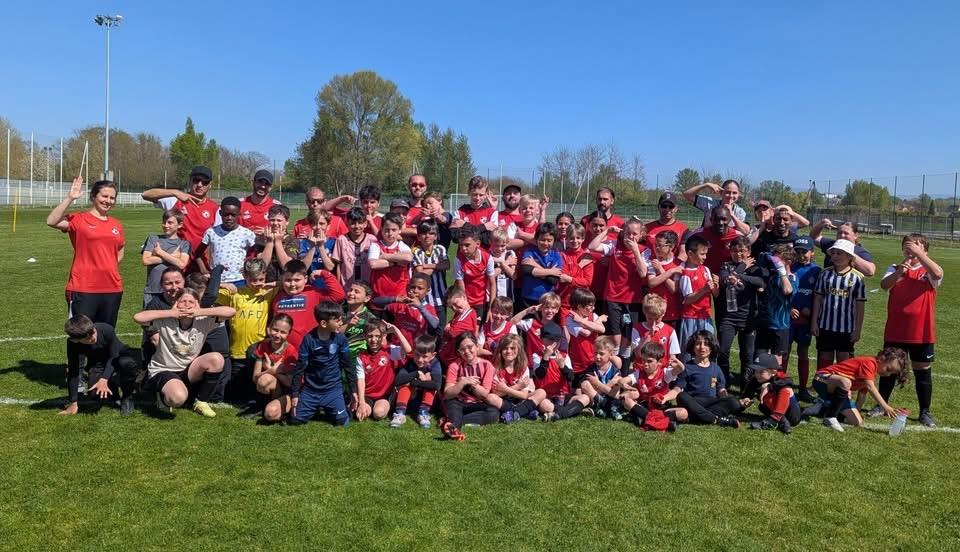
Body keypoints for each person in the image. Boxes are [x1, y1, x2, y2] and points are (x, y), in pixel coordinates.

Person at [134, 288, 236, 418]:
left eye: (191, 302)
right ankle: (162, 397)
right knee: (177, 399)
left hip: (188, 369)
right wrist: (171, 313)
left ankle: (201, 401)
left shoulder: (203, 319)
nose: (187, 305)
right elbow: (138, 317)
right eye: (183, 301)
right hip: (164, 369)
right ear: (176, 303)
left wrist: (199, 311)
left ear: (197, 304)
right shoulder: (165, 319)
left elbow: (231, 312)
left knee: (217, 359)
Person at [876, 233, 943, 427]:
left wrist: (919, 254)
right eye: (907, 246)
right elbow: (884, 285)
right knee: (889, 368)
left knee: (922, 371)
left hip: (921, 331)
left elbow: (938, 274)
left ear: (925, 251)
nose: (910, 249)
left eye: (915, 246)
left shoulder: (928, 271)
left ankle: (925, 412)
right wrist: (898, 273)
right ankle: (881, 405)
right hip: (896, 329)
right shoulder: (895, 268)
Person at [46, 177, 125, 327]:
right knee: (81, 333)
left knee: (105, 334)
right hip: (83, 287)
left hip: (112, 288)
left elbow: (120, 251)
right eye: (104, 196)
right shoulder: (79, 219)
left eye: (112, 198)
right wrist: (70, 198)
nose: (108, 201)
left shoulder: (116, 225)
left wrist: (106, 267)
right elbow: (51, 221)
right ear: (93, 196)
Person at [216, 258, 278, 404]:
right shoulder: (235, 293)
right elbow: (206, 285)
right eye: (253, 280)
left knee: (255, 388)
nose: (257, 283)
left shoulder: (267, 292)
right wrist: (223, 284)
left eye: (261, 279)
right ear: (245, 276)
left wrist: (271, 284)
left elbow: (286, 283)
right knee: (235, 393)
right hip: (237, 351)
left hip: (259, 353)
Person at [803, 348, 908, 432]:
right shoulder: (869, 363)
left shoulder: (871, 375)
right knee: (845, 382)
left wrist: (857, 412)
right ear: (881, 358)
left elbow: (861, 396)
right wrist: (885, 407)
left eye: (891, 373)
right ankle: (830, 417)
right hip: (821, 379)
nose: (888, 374)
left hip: (835, 390)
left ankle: (823, 409)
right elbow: (870, 387)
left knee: (857, 421)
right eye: (888, 369)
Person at [588, 218, 648, 353]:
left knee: (628, 336)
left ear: (641, 235)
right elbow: (592, 247)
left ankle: (625, 363)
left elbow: (643, 273)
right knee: (615, 337)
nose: (631, 237)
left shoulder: (644, 251)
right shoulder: (614, 245)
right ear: (623, 233)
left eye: (634, 234)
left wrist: (635, 251)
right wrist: (607, 231)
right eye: (628, 233)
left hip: (632, 300)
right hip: (612, 298)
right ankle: (615, 362)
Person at [289, 301, 354, 426]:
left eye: (341, 319)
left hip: (332, 389)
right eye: (337, 320)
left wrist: (353, 390)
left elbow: (348, 365)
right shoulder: (309, 339)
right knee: (295, 420)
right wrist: (295, 394)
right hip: (311, 390)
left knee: (342, 422)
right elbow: (300, 368)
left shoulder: (341, 338)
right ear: (324, 323)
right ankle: (315, 407)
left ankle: (339, 404)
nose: (341, 323)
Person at [141, 165, 220, 263]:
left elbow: (218, 239)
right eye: (196, 180)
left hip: (201, 263)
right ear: (190, 181)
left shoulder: (215, 208)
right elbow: (145, 194)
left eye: (205, 182)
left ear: (210, 184)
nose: (200, 185)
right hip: (176, 261)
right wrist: (175, 192)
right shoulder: (175, 200)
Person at [62, 314, 138, 416]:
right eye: (88, 337)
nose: (93, 337)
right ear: (76, 340)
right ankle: (112, 384)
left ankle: (127, 397)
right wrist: (73, 402)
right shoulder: (73, 344)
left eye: (93, 331)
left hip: (119, 358)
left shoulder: (106, 329)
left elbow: (114, 356)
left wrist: (104, 379)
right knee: (95, 394)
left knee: (127, 364)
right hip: (98, 365)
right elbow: (73, 370)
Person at [810, 239, 866, 369]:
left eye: (839, 253)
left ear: (849, 256)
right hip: (825, 325)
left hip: (846, 328)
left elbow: (860, 306)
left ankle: (842, 382)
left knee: (844, 361)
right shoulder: (825, 274)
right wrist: (814, 322)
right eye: (833, 253)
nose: (835, 256)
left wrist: (857, 330)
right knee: (824, 359)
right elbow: (818, 299)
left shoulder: (857, 278)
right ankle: (823, 381)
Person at [715, 236, 763, 386]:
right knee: (722, 351)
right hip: (728, 317)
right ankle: (724, 385)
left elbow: (761, 282)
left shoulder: (755, 268)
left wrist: (740, 275)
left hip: (748, 318)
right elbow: (725, 280)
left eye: (742, 251)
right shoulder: (725, 266)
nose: (739, 254)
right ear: (730, 252)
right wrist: (742, 267)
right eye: (735, 251)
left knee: (747, 355)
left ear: (749, 252)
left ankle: (745, 387)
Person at [270, 260, 346, 351]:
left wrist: (324, 273)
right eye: (288, 280)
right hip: (284, 351)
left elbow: (338, 296)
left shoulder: (313, 292)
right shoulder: (277, 298)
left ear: (305, 279)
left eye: (297, 280)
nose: (292, 284)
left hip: (311, 349)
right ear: (282, 279)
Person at [672, 331, 742, 428]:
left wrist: (726, 399)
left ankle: (695, 417)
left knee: (733, 402)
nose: (702, 347)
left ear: (712, 347)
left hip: (711, 403)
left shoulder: (716, 369)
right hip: (694, 402)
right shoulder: (687, 367)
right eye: (698, 344)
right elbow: (677, 389)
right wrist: (665, 397)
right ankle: (716, 419)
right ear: (693, 347)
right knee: (682, 396)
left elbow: (721, 389)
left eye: (706, 344)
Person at [440, 332, 500, 440]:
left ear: (477, 346)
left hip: (477, 402)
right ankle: (453, 429)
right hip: (458, 401)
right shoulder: (454, 366)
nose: (467, 351)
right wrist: (462, 382)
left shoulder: (487, 365)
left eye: (470, 347)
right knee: (453, 407)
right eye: (462, 349)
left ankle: (454, 421)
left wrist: (469, 382)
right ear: (458, 351)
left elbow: (484, 394)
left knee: (494, 413)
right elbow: (448, 394)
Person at [353, 320, 412, 422]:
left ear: (384, 336)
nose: (374, 339)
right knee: (361, 415)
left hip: (383, 395)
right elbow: (360, 380)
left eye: (377, 336)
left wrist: (396, 331)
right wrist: (361, 402)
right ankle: (367, 406)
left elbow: (408, 350)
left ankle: (387, 404)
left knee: (378, 413)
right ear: (365, 336)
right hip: (367, 394)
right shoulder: (361, 356)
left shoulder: (390, 350)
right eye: (370, 336)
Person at [531, 321, 590, 421]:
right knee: (543, 404)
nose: (554, 343)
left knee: (585, 398)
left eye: (557, 340)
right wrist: (545, 358)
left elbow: (571, 378)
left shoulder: (564, 356)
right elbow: (540, 375)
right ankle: (573, 411)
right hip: (547, 396)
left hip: (563, 395)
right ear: (542, 339)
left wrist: (563, 366)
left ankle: (559, 414)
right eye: (551, 340)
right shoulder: (537, 356)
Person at [621, 342, 684, 431]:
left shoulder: (665, 373)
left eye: (649, 361)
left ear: (659, 362)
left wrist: (678, 363)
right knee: (627, 401)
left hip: (661, 406)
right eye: (643, 360)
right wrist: (624, 385)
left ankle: (646, 421)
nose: (645, 364)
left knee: (683, 413)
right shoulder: (638, 373)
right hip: (645, 406)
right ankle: (665, 423)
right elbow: (623, 380)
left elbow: (680, 369)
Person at [787, 236, 821, 402]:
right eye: (798, 251)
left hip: (805, 322)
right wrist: (789, 308)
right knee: (784, 352)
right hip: (788, 320)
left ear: (812, 252)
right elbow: (781, 291)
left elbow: (819, 296)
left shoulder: (817, 271)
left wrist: (811, 308)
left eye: (804, 252)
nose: (801, 255)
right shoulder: (789, 267)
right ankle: (780, 385)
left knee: (803, 352)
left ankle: (802, 389)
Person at [194, 196, 257, 285]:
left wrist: (247, 266)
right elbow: (197, 254)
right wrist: (203, 270)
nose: (229, 218)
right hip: (217, 281)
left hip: (240, 279)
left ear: (239, 214)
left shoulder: (247, 234)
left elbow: (254, 254)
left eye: (233, 215)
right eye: (226, 214)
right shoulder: (211, 232)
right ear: (220, 213)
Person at [490, 334, 548, 423]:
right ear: (500, 351)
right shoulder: (496, 368)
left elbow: (524, 395)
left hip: (520, 399)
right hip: (504, 400)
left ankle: (514, 413)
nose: (508, 351)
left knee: (541, 392)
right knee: (491, 397)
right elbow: (495, 393)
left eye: (512, 348)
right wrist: (517, 386)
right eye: (505, 348)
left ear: (519, 350)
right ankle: (525, 411)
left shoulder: (523, 368)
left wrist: (505, 389)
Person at [373, 273, 441, 348]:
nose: (415, 290)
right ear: (408, 287)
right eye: (413, 287)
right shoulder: (400, 304)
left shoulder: (427, 308)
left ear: (428, 291)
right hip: (396, 347)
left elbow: (435, 324)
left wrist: (420, 307)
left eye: (420, 288)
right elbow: (375, 302)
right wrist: (395, 299)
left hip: (415, 349)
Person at [754, 244, 795, 367]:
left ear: (788, 262)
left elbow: (787, 290)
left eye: (778, 260)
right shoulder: (772, 275)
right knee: (758, 360)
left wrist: (782, 270)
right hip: (764, 323)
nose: (774, 262)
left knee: (776, 364)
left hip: (780, 326)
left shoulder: (792, 278)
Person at [739, 353, 801, 434]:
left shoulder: (779, 377)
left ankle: (775, 420)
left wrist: (769, 386)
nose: (757, 374)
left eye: (761, 372)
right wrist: (745, 399)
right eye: (756, 371)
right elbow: (747, 394)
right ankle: (781, 421)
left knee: (786, 389)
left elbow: (789, 381)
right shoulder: (755, 380)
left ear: (773, 372)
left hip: (792, 415)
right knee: (762, 406)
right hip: (774, 412)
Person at [140, 208, 191, 307]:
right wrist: (173, 257)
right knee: (150, 316)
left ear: (180, 225)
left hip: (174, 291)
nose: (166, 225)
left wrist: (160, 253)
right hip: (153, 291)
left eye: (170, 223)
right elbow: (146, 260)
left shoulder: (184, 244)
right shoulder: (153, 239)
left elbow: (181, 264)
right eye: (164, 222)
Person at [390, 335, 443, 429]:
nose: (420, 359)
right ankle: (400, 414)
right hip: (408, 401)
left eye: (425, 356)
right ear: (413, 352)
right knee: (405, 385)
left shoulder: (435, 364)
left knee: (430, 385)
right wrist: (416, 374)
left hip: (426, 402)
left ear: (433, 355)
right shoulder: (410, 363)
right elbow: (398, 380)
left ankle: (423, 414)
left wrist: (416, 382)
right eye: (417, 355)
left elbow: (437, 385)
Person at [253, 315, 298, 423]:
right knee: (264, 380)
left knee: (270, 414)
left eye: (283, 332)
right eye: (275, 330)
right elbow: (255, 378)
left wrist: (275, 371)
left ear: (289, 334)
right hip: (276, 388)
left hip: (289, 391)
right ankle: (267, 405)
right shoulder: (263, 345)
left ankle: (284, 408)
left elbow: (291, 383)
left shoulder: (291, 351)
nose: (277, 335)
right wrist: (270, 371)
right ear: (269, 328)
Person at [678, 234, 719, 352]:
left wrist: (716, 285)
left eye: (706, 254)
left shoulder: (705, 269)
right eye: (702, 254)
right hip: (691, 318)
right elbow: (687, 299)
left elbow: (715, 294)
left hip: (706, 316)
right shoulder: (685, 273)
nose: (705, 257)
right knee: (690, 349)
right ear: (690, 254)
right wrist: (704, 290)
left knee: (708, 348)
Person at [624, 294, 681, 373]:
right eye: (650, 318)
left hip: (661, 372)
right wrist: (647, 338)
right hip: (641, 371)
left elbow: (672, 356)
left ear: (663, 314)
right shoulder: (637, 329)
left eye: (657, 319)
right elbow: (637, 354)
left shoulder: (670, 331)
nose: (653, 323)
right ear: (645, 313)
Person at [564, 288, 607, 388]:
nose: (593, 308)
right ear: (579, 307)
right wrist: (599, 320)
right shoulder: (570, 319)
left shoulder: (593, 315)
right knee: (579, 389)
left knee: (594, 385)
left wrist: (581, 321)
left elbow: (602, 329)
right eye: (590, 306)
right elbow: (586, 333)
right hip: (579, 363)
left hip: (594, 359)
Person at [411, 219, 449, 328]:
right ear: (418, 237)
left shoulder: (440, 249)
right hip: (424, 299)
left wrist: (427, 265)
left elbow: (446, 265)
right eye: (423, 233)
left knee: (440, 329)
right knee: (425, 328)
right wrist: (437, 266)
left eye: (431, 233)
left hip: (440, 297)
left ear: (436, 236)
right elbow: (421, 274)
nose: (427, 236)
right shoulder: (416, 251)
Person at [367, 212, 413, 303]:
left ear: (400, 230)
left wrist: (385, 256)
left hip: (400, 295)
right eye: (387, 230)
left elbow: (408, 258)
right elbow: (373, 264)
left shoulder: (402, 246)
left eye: (394, 230)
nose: (390, 233)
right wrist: (396, 262)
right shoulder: (375, 246)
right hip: (379, 295)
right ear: (381, 229)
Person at [643, 230, 683, 328]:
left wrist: (661, 270)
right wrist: (670, 272)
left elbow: (673, 288)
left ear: (671, 246)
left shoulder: (678, 264)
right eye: (656, 245)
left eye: (660, 245)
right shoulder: (654, 262)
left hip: (672, 311)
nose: (657, 248)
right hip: (654, 311)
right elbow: (651, 283)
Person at [518, 223, 564, 309]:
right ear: (536, 239)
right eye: (542, 240)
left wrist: (535, 266)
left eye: (549, 240)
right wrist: (551, 272)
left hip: (548, 299)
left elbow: (553, 280)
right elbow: (526, 270)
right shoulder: (529, 252)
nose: (545, 243)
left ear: (554, 241)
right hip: (528, 297)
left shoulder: (556, 255)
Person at [578, 336, 626, 419]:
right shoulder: (591, 369)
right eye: (595, 353)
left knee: (618, 383)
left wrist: (597, 383)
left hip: (610, 400)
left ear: (611, 355)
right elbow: (588, 390)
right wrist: (610, 384)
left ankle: (602, 409)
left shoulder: (615, 371)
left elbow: (616, 394)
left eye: (601, 354)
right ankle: (607, 408)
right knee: (585, 384)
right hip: (595, 401)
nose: (597, 356)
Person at [809, 218, 876, 276]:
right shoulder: (831, 245)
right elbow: (813, 237)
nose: (842, 236)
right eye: (839, 233)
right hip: (826, 284)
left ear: (855, 236)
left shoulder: (860, 251)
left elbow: (870, 272)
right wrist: (821, 224)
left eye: (846, 233)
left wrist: (849, 253)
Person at [331, 207, 378, 290]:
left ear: (365, 224)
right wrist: (338, 287)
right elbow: (338, 265)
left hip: (367, 286)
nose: (356, 226)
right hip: (347, 287)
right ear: (347, 223)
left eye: (360, 223)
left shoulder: (372, 240)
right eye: (353, 223)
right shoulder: (342, 240)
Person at [454, 230, 497, 320]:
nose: (463, 248)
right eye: (461, 245)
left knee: (481, 327)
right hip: (467, 300)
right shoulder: (459, 259)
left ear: (477, 244)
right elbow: (460, 284)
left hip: (483, 301)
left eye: (467, 245)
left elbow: (492, 283)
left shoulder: (487, 257)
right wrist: (465, 305)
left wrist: (491, 308)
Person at [511, 291, 563, 366]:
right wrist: (527, 311)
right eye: (547, 307)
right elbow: (512, 322)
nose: (549, 311)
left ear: (557, 310)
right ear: (541, 308)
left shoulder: (558, 327)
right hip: (533, 364)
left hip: (551, 364)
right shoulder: (531, 323)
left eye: (553, 308)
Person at [683, 178, 750, 234]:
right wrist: (706, 185)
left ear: (738, 195)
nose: (731, 196)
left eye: (734, 193)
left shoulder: (740, 212)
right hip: (707, 241)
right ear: (721, 193)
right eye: (727, 192)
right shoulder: (710, 204)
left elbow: (746, 231)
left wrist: (732, 215)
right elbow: (687, 195)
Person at [556, 224, 595, 310]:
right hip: (564, 301)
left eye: (578, 238)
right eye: (571, 238)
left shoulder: (586, 257)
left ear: (583, 239)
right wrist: (580, 266)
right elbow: (562, 277)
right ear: (566, 239)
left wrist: (570, 279)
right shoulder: (561, 255)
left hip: (582, 302)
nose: (575, 241)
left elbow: (587, 282)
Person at [693, 206, 742, 276]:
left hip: (729, 277)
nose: (720, 223)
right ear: (711, 220)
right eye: (716, 219)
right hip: (705, 276)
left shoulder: (737, 236)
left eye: (724, 219)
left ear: (730, 220)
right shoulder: (699, 234)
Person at [258, 204, 301, 283]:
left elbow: (287, 266)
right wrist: (270, 242)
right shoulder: (261, 239)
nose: (275, 223)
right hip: (265, 284)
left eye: (279, 220)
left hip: (285, 284)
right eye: (272, 220)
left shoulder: (292, 240)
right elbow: (261, 266)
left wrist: (278, 242)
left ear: (287, 222)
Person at [439, 287, 480, 368]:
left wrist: (448, 328)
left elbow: (453, 332)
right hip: (449, 358)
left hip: (456, 360)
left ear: (464, 297)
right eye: (451, 307)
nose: (454, 308)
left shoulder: (468, 316)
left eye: (455, 303)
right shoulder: (460, 314)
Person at [451, 176, 499, 245]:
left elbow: (489, 240)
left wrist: (464, 225)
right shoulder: (459, 212)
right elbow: (455, 237)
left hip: (485, 252)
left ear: (486, 194)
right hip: (463, 252)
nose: (477, 198)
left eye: (481, 195)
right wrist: (484, 227)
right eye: (474, 194)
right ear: (469, 192)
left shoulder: (492, 213)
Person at [644, 192, 688, 258]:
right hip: (650, 263)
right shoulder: (647, 228)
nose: (667, 209)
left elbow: (683, 253)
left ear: (676, 208)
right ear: (658, 207)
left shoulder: (683, 228)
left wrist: (671, 264)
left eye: (671, 206)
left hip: (673, 264)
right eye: (664, 206)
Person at [239, 169, 280, 233]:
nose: (263, 186)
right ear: (253, 182)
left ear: (270, 188)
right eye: (260, 182)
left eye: (267, 184)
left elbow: (282, 231)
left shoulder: (277, 206)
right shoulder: (239, 204)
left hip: (268, 239)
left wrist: (268, 233)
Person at [298, 210, 336, 274]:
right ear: (310, 225)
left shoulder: (333, 243)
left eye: (322, 223)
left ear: (328, 226)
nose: (318, 227)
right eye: (314, 223)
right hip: (309, 279)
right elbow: (304, 268)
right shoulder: (303, 243)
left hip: (327, 279)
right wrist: (312, 246)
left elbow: (330, 267)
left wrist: (321, 246)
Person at [488, 228, 518, 303]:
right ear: (490, 242)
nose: (499, 249)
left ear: (507, 243)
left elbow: (513, 275)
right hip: (492, 294)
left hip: (508, 293)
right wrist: (506, 262)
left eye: (502, 246)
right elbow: (490, 275)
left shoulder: (510, 254)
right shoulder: (488, 255)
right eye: (496, 246)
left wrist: (502, 263)